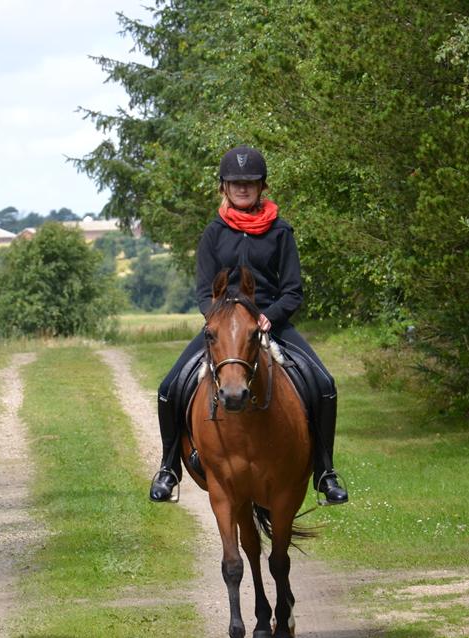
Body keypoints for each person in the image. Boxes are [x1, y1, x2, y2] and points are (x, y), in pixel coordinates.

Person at [147, 144, 348, 505]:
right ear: (224, 187)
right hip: (224, 329)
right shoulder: (213, 233)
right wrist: (219, 320)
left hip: (271, 323)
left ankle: (325, 471)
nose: (242, 188)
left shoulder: (280, 232)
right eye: (235, 182)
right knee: (168, 387)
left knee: (325, 385)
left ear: (262, 187)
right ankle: (168, 468)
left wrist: (271, 317)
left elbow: (293, 289)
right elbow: (204, 292)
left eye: (250, 182)